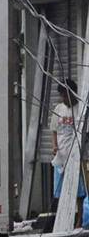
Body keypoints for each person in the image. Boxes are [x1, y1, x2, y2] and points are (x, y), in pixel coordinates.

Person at [52, 78, 87, 225]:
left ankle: (79, 220)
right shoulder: (58, 109)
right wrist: (54, 146)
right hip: (61, 155)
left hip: (75, 155)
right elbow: (54, 130)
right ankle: (64, 219)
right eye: (62, 95)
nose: (63, 98)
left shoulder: (80, 109)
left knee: (78, 191)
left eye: (66, 95)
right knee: (60, 191)